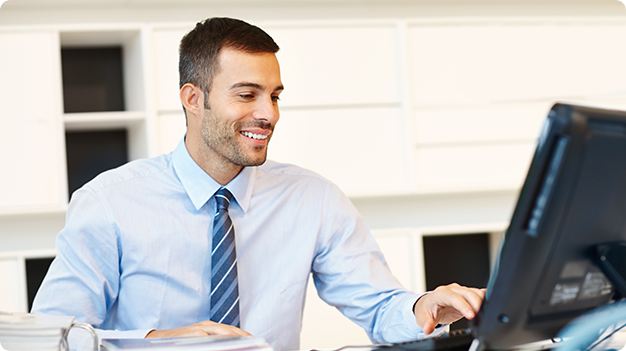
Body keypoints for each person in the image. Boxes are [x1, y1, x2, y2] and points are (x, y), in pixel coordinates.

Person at [32, 17, 485, 350]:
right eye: (247, 94)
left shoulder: (313, 199)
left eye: (274, 96)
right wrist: (161, 341)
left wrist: (423, 307)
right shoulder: (110, 202)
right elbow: (51, 336)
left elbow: (380, 306)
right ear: (194, 99)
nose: (268, 114)